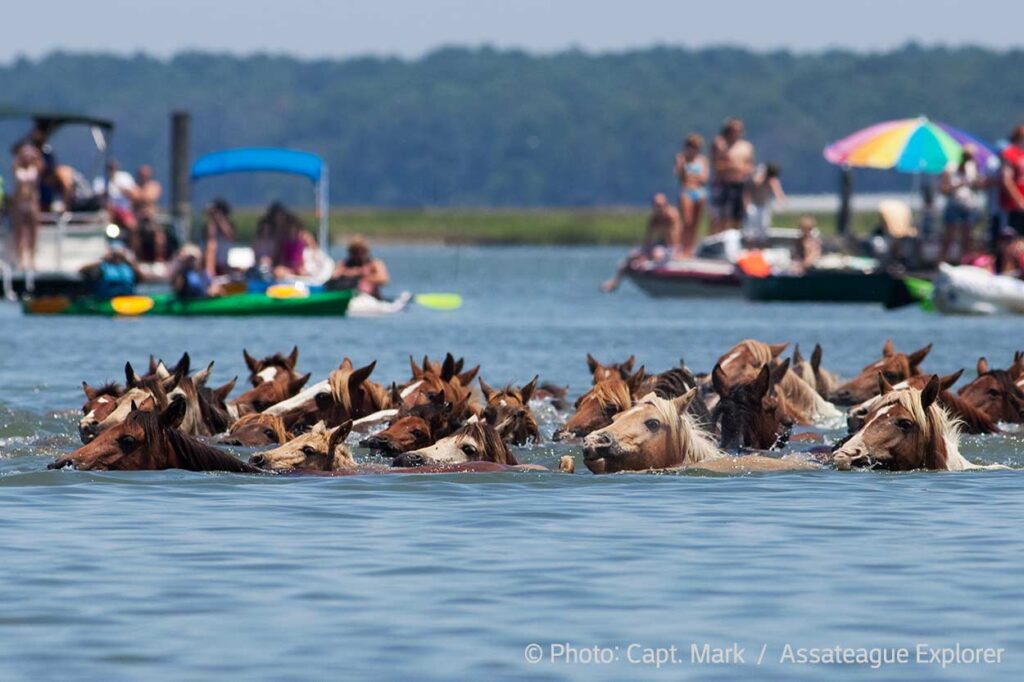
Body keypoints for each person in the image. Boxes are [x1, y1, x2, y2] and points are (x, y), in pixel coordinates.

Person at [600, 193, 681, 292]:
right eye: (656, 205)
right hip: (660, 244)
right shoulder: (654, 219)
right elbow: (648, 240)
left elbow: (674, 240)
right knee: (632, 256)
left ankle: (650, 269)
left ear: (666, 204)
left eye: (660, 205)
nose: (658, 208)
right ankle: (615, 282)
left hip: (672, 246)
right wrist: (643, 254)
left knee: (656, 253)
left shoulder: (672, 216)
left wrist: (653, 254)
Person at [938, 146, 983, 264]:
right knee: (949, 237)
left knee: (967, 238)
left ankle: (964, 264)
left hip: (969, 206)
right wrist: (958, 185)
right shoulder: (950, 168)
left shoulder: (972, 168)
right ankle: (941, 263)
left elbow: (977, 185)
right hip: (954, 205)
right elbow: (943, 189)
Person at [710, 118, 755, 233]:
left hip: (740, 184)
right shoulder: (720, 145)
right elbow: (715, 164)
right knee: (720, 216)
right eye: (732, 130)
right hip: (723, 184)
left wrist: (741, 170)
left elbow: (750, 166)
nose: (735, 133)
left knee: (738, 215)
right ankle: (720, 237)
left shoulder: (746, 147)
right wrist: (731, 167)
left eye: (738, 130)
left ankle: (736, 238)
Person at [674, 133, 708, 257]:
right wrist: (684, 165)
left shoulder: (702, 160)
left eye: (695, 146)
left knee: (696, 222)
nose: (692, 149)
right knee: (686, 221)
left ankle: (690, 249)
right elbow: (679, 175)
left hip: (699, 192)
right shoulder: (681, 158)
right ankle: (680, 247)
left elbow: (704, 178)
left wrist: (692, 175)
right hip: (686, 190)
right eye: (690, 146)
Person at [11, 144, 43, 270]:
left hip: (32, 203)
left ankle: (32, 260)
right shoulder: (17, 167)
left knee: (33, 234)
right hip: (19, 204)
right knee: (19, 234)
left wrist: (35, 154)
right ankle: (21, 260)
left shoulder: (35, 167)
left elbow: (42, 166)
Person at [998, 125, 1024, 272]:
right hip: (1013, 207)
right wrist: (1018, 200)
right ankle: (1006, 272)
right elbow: (1006, 180)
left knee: (1021, 242)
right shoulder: (1009, 154)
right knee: (1010, 241)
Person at [745, 163, 785, 245]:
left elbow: (778, 192)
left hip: (764, 205)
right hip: (753, 205)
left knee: (764, 227)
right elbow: (756, 183)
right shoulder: (758, 175)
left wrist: (781, 203)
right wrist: (763, 175)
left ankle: (762, 246)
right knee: (751, 229)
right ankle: (750, 246)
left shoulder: (773, 181)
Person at [132, 165, 166, 262]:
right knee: (133, 231)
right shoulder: (134, 186)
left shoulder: (154, 186)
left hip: (151, 218)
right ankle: (136, 257)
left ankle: (159, 258)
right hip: (137, 218)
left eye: (146, 175)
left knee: (159, 235)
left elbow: (150, 197)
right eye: (142, 175)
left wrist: (141, 196)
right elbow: (135, 196)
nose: (144, 177)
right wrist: (143, 197)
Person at [202, 199, 236, 277]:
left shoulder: (229, 224)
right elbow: (210, 237)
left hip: (224, 261)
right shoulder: (208, 226)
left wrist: (220, 220)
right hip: (211, 262)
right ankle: (209, 274)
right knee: (211, 245)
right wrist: (212, 221)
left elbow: (230, 236)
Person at [273, 214, 307, 279]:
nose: (292, 230)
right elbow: (282, 258)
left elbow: (303, 257)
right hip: (288, 267)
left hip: (299, 267)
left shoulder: (302, 240)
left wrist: (299, 267)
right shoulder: (284, 242)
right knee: (278, 271)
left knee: (302, 272)